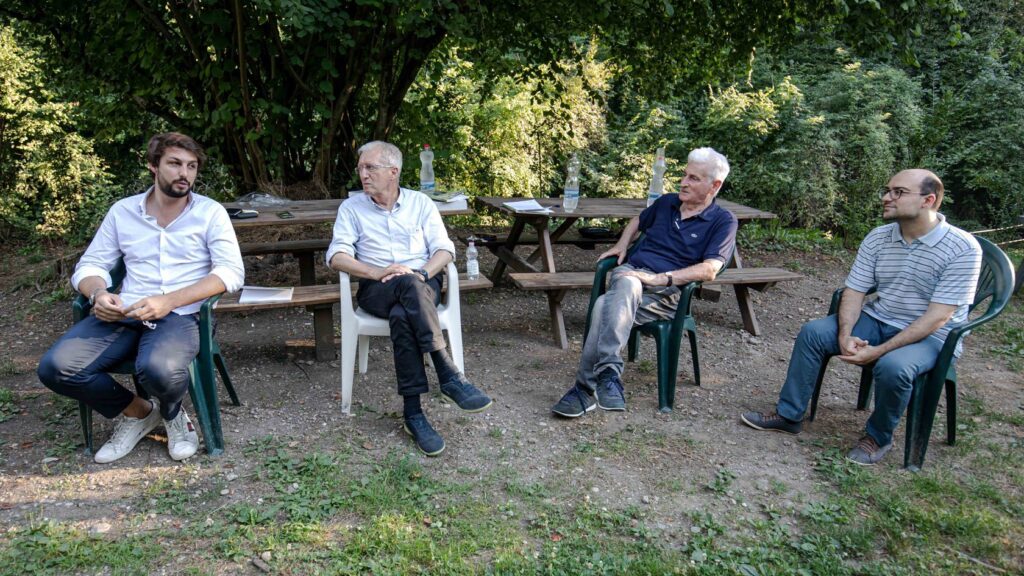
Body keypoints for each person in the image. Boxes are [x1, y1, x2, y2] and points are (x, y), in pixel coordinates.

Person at [741, 169, 982, 466]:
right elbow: (854, 292)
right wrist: (844, 335)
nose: (886, 197)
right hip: (881, 317)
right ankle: (789, 415)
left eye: (898, 192)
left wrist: (878, 351)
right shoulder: (879, 237)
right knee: (814, 332)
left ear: (928, 200)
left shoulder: (962, 248)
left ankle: (878, 437)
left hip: (934, 335)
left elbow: (938, 317)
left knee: (893, 366)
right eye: (887, 190)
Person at [37, 132, 245, 464]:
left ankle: (174, 413)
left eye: (191, 166)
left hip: (181, 315)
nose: (184, 174)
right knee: (55, 368)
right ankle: (139, 412)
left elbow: (231, 273)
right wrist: (99, 293)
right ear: (153, 165)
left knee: (158, 370)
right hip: (127, 312)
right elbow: (91, 265)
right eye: (175, 164)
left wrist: (170, 301)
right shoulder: (123, 212)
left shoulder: (210, 213)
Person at [327, 141, 491, 456]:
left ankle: (414, 413)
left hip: (421, 283)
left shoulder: (421, 204)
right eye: (361, 167)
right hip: (376, 288)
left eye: (370, 167)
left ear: (393, 171)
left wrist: (423, 274)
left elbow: (444, 250)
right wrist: (376, 272)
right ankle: (446, 372)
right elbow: (337, 257)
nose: (363, 174)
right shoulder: (352, 208)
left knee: (404, 312)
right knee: (405, 287)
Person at [552, 147, 738, 417]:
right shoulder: (666, 203)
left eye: (694, 178)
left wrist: (658, 278)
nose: (683, 182)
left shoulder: (723, 221)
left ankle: (583, 389)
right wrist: (621, 244)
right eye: (685, 175)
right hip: (629, 275)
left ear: (715, 185)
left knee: (604, 305)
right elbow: (638, 219)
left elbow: (710, 270)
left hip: (667, 294)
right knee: (628, 283)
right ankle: (609, 374)